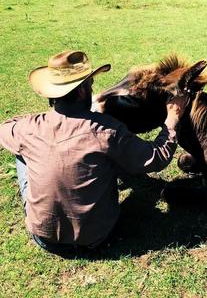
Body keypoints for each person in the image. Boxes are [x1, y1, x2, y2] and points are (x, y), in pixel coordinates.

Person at [0, 50, 187, 255]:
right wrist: (171, 121)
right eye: (89, 84)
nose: (92, 88)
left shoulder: (29, 128)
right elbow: (156, 158)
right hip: (98, 236)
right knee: (106, 154)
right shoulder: (106, 130)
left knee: (21, 150)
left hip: (44, 238)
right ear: (81, 92)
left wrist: (41, 121)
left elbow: (5, 127)